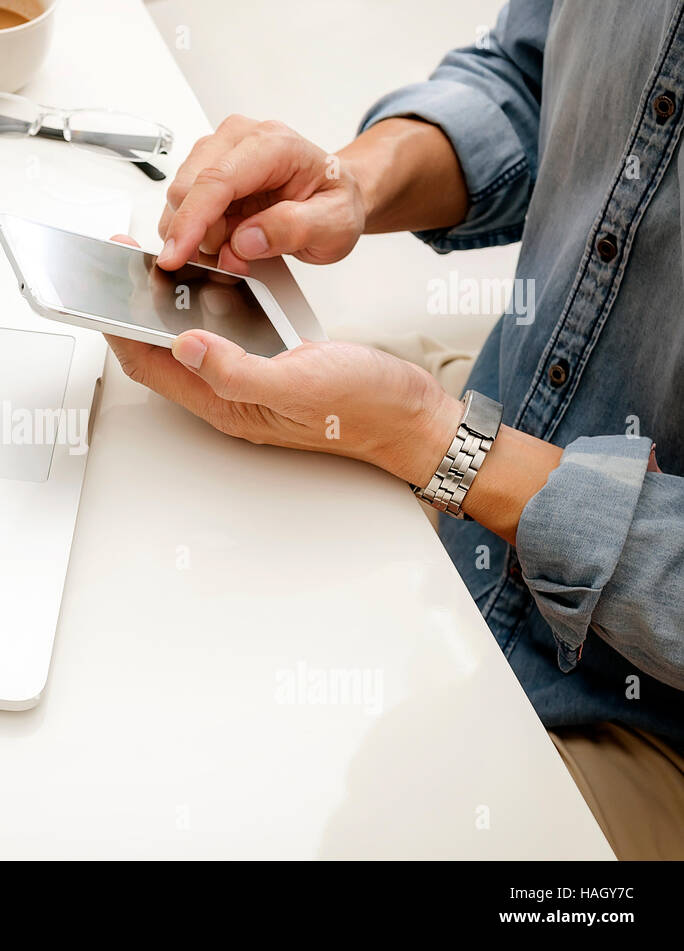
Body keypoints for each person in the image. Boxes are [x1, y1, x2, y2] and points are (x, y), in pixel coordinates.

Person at [109, 0, 684, 858]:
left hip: (646, 716)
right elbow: (529, 80)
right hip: (494, 416)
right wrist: (352, 181)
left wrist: (433, 441)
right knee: (139, 474)